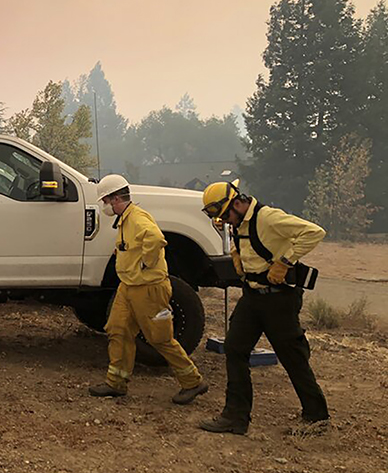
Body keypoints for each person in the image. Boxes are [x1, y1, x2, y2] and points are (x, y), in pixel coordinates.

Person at [198, 181, 328, 435]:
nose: (224, 222)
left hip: (278, 300)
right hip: (252, 296)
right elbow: (247, 244)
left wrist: (285, 261)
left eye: (225, 216)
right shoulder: (239, 223)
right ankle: (235, 417)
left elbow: (314, 232)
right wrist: (237, 254)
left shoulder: (268, 218)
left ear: (237, 204)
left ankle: (316, 417)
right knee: (234, 348)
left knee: (292, 357)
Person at [89, 174, 209, 404]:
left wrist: (146, 263)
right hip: (128, 286)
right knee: (117, 329)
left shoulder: (137, 218)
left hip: (148, 288)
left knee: (159, 338)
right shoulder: (126, 219)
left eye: (105, 201)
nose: (104, 206)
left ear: (116, 199)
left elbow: (155, 239)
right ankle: (116, 383)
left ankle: (192, 382)